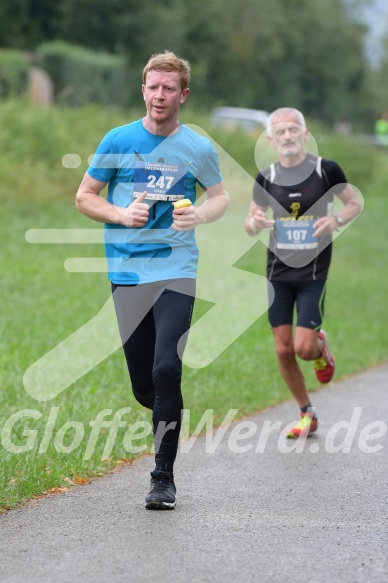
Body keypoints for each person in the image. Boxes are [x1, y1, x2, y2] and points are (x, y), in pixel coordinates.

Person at [75, 51, 229, 509]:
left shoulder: (197, 148)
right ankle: (167, 407)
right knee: (147, 386)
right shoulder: (119, 140)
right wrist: (121, 214)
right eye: (152, 87)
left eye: (168, 89)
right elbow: (84, 197)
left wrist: (200, 212)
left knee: (167, 368)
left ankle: (163, 478)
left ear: (183, 94)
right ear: (143, 90)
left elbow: (220, 196)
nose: (159, 95)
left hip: (176, 270)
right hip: (127, 272)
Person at [244, 107, 362, 438]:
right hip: (277, 274)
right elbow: (251, 221)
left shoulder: (326, 171)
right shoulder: (266, 176)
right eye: (279, 132)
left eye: (293, 130)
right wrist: (254, 222)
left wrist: (336, 219)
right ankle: (306, 414)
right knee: (282, 349)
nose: (287, 137)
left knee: (303, 349)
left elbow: (354, 203)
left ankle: (320, 346)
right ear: (270, 140)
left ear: (305, 134)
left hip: (312, 275)